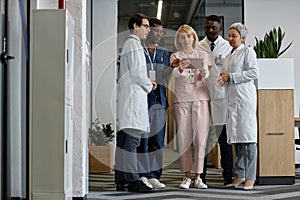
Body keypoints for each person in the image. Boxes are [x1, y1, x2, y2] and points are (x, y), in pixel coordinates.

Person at [115, 13, 157, 193]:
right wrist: (150, 85)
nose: (148, 29)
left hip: (131, 96)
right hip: (133, 98)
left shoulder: (132, 44)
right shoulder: (132, 44)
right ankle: (133, 180)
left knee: (124, 141)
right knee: (131, 141)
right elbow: (137, 73)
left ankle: (122, 179)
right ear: (135, 26)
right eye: (146, 26)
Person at [218, 22, 258, 190]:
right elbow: (228, 75)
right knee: (238, 141)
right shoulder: (229, 55)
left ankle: (250, 176)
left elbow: (253, 72)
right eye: (229, 35)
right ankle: (239, 175)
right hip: (233, 102)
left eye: (234, 36)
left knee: (248, 141)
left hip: (245, 101)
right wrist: (224, 77)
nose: (230, 38)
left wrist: (231, 77)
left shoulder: (248, 51)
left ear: (243, 38)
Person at [170, 24, 210, 189]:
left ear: (194, 37)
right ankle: (187, 176)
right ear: (178, 40)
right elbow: (173, 73)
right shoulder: (175, 56)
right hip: (182, 100)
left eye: (188, 36)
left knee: (200, 138)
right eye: (181, 37)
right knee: (184, 138)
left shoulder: (202, 54)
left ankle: (198, 176)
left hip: (200, 99)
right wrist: (179, 68)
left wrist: (203, 70)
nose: (185, 40)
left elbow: (207, 74)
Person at [198, 15, 233, 186]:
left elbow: (229, 71)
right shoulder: (199, 46)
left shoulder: (227, 47)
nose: (210, 30)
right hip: (203, 96)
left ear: (220, 29)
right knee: (202, 139)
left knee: (224, 138)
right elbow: (193, 74)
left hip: (221, 97)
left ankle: (228, 176)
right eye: (208, 27)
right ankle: (200, 177)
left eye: (214, 28)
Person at [138, 17, 172, 189]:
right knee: (143, 139)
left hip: (159, 100)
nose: (159, 34)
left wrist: (172, 67)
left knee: (157, 141)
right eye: (156, 31)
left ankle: (154, 175)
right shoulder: (139, 50)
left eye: (161, 31)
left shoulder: (164, 53)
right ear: (148, 30)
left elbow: (165, 75)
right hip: (143, 101)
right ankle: (143, 174)